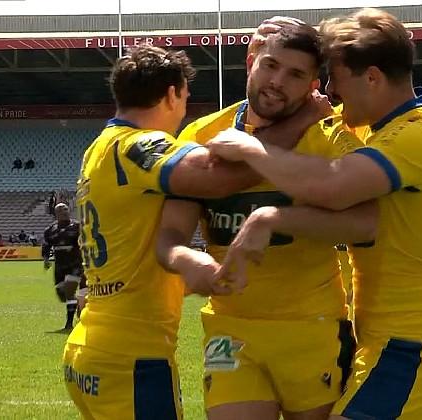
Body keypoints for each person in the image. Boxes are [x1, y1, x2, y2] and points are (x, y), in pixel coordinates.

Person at [206, 8, 422, 419]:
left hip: (414, 343)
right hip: (380, 338)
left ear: (373, 77)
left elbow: (332, 187)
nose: (328, 89)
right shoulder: (379, 131)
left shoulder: (418, 133)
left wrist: (253, 149)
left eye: (336, 78)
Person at [62, 45, 290, 420]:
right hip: (131, 356)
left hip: (90, 346)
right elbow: (215, 178)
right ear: (171, 94)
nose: (184, 109)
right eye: (184, 98)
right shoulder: (134, 145)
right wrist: (297, 128)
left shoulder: (97, 149)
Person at [157, 20, 371, 420]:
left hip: (313, 327)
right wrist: (189, 261)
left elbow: (367, 223)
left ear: (313, 85)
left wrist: (278, 219)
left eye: (295, 75)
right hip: (229, 330)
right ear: (251, 61)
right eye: (270, 65)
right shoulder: (201, 135)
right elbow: (170, 234)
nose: (277, 81)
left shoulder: (329, 136)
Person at [42, 203, 85, 332]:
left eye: (66, 209)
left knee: (69, 291)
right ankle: (80, 302)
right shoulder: (50, 230)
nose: (64, 211)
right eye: (61, 210)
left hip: (75, 264)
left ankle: (68, 324)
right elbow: (47, 245)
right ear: (56, 213)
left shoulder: (77, 227)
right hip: (60, 266)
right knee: (62, 295)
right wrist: (46, 259)